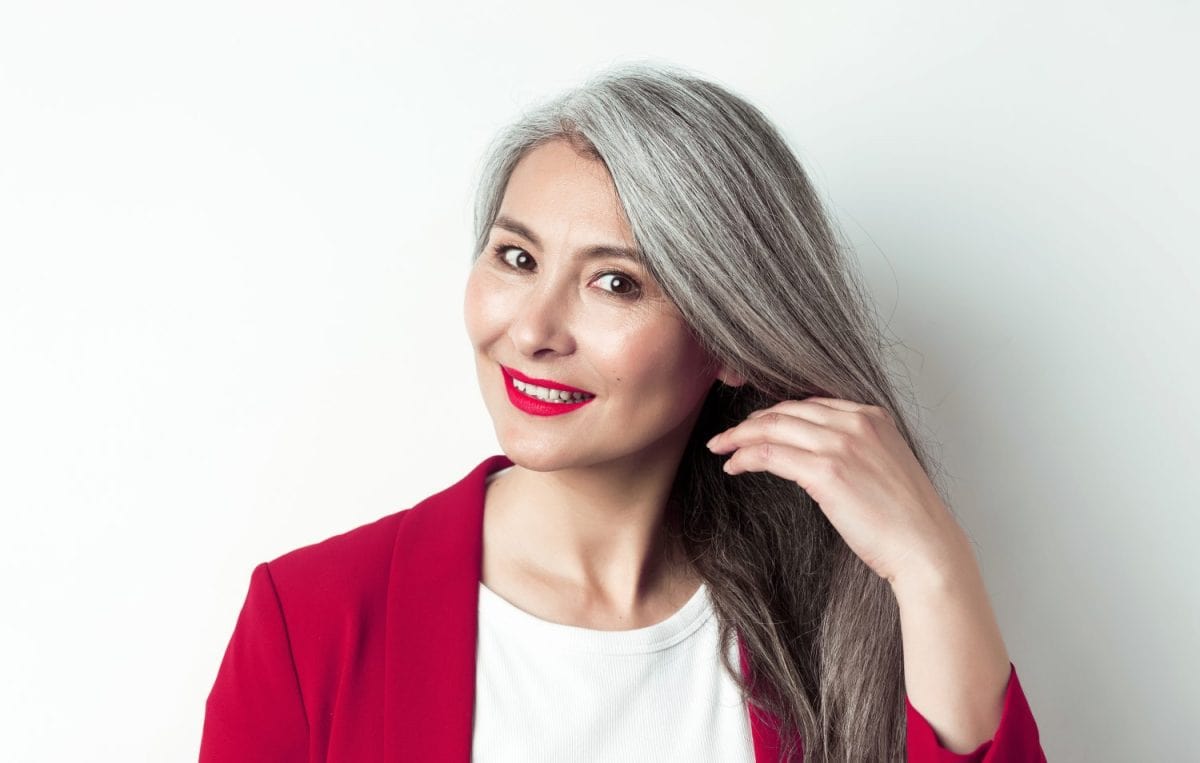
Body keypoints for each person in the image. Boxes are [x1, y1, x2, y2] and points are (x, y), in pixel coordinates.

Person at [200, 62, 1046, 762]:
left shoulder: (826, 628)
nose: (531, 329)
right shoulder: (310, 620)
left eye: (616, 282)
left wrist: (934, 568)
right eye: (517, 256)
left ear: (732, 339)